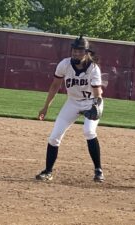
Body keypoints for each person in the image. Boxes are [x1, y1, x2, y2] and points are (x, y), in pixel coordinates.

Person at [35, 35, 105, 182]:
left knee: (89, 131)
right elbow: (55, 85)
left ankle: (98, 170)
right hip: (72, 102)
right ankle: (48, 171)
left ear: (87, 52)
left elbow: (98, 93)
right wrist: (45, 107)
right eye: (74, 50)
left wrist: (96, 105)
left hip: (90, 102)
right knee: (54, 137)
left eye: (80, 51)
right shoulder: (64, 64)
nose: (76, 53)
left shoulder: (93, 68)